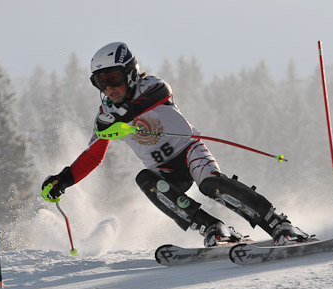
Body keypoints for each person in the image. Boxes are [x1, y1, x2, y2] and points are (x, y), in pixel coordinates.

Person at [42, 42, 309, 247]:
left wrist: (127, 115)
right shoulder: (105, 117)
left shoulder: (151, 87)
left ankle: (279, 225)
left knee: (211, 185)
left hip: (190, 152)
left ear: (131, 73)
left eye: (114, 78)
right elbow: (92, 157)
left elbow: (161, 96)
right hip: (164, 170)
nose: (109, 87)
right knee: (145, 179)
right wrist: (63, 180)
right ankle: (213, 229)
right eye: (101, 81)